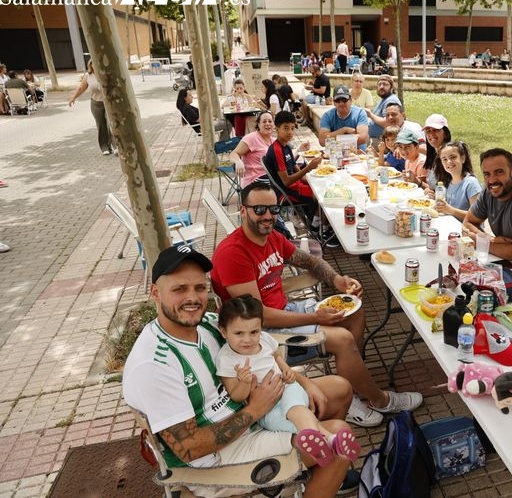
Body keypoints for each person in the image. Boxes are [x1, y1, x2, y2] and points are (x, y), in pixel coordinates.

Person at [122, 246, 352, 497]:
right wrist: (255, 409)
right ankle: (322, 471)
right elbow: (190, 449)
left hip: (250, 409)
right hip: (218, 457)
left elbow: (262, 349)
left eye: (199, 288)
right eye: (179, 289)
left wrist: (305, 383)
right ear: (155, 292)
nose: (192, 298)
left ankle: (320, 476)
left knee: (339, 389)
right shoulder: (154, 365)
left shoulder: (209, 324)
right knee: (340, 437)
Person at [210, 180, 424, 428]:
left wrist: (337, 280)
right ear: (243, 210)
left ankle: (351, 387)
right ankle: (380, 399)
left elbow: (310, 261)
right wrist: (316, 318)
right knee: (343, 340)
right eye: (259, 210)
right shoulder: (233, 254)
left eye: (273, 209)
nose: (267, 216)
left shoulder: (272, 238)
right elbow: (258, 318)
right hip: (261, 334)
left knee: (353, 310)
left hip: (285, 310)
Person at [215, 295, 360, 466]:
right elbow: (236, 396)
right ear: (223, 331)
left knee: (295, 409)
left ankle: (321, 441)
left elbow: (276, 356)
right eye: (239, 333)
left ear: (260, 328)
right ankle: (329, 440)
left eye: (254, 332)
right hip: (265, 410)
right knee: (285, 423)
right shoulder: (226, 359)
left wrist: (286, 370)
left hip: (287, 388)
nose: (247, 339)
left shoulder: (264, 339)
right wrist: (245, 382)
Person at [263, 111, 322, 228]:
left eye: (292, 128)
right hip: (285, 191)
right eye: (286, 128)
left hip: (295, 185)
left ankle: (317, 221)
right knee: (319, 195)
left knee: (321, 186)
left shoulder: (286, 146)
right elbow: (286, 181)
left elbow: (295, 168)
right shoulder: (277, 150)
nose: (290, 132)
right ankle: (317, 227)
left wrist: (311, 179)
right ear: (277, 129)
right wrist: (309, 167)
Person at [68, 60, 117, 155]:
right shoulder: (88, 76)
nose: (96, 65)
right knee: (101, 126)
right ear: (90, 65)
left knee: (111, 124)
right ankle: (105, 147)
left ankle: (115, 146)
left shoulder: (105, 73)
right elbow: (81, 88)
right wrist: (73, 97)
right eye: (93, 63)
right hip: (96, 104)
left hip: (108, 103)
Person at [430, 141, 481, 221]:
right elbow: (446, 207)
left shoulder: (471, 183)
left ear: (463, 158)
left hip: (467, 230)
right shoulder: (448, 182)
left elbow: (477, 217)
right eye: (444, 159)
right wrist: (434, 197)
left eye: (453, 157)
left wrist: (451, 210)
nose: (449, 162)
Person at [231, 110, 280, 188]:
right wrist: (238, 161)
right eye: (264, 121)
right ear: (259, 124)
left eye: (270, 121)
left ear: (274, 125)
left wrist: (298, 151)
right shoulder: (251, 138)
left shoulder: (274, 141)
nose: (267, 123)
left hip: (270, 177)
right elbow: (233, 154)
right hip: (255, 180)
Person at [318, 85, 369, 151]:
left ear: (350, 100)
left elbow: (362, 138)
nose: (341, 103)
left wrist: (333, 137)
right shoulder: (327, 116)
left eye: (344, 100)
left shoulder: (360, 113)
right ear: (334, 102)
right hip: (335, 155)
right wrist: (344, 130)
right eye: (338, 100)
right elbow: (322, 141)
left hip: (358, 154)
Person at [365, 74, 401, 146]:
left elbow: (387, 123)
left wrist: (370, 115)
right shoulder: (384, 99)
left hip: (383, 141)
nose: (381, 87)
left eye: (385, 84)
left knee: (358, 142)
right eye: (380, 84)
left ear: (391, 88)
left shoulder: (391, 101)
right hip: (375, 138)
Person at [422, 113, 450, 190]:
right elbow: (433, 188)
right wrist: (417, 182)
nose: (432, 134)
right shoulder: (434, 155)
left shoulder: (449, 156)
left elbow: (451, 191)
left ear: (445, 133)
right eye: (428, 131)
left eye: (436, 130)